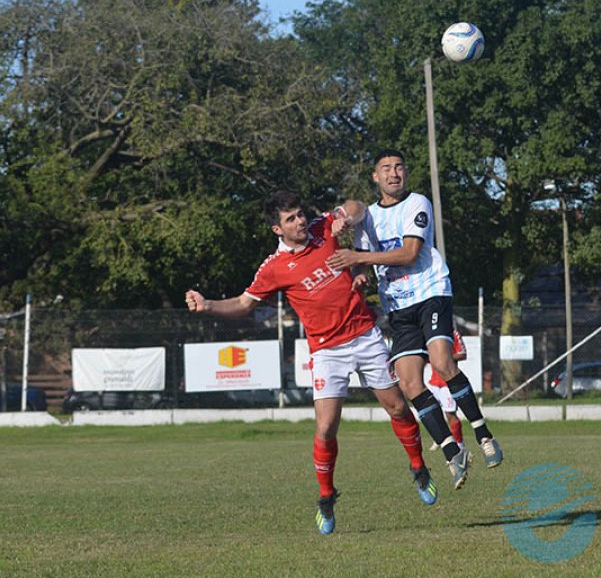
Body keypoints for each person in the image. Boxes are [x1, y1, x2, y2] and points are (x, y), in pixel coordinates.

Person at [185, 191, 436, 536]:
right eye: (291, 219)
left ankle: (419, 467)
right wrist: (208, 305)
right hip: (326, 350)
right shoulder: (274, 268)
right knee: (326, 427)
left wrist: (345, 215)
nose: (300, 222)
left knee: (396, 407)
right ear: (277, 229)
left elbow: (359, 207)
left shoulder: (323, 229)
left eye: (300, 214)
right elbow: (244, 303)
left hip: (364, 335)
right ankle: (326, 495)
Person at [327, 148, 503, 490]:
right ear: (375, 177)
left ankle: (484, 434)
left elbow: (409, 253)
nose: (394, 174)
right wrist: (360, 272)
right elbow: (364, 254)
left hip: (431, 293)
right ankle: (453, 452)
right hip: (398, 305)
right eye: (386, 169)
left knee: (441, 361)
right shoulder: (369, 216)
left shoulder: (417, 203)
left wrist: (359, 257)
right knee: (409, 384)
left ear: (405, 173)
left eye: (399, 167)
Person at [427, 329, 467, 453]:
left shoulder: (453, 333)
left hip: (447, 383)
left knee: (450, 414)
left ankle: (460, 446)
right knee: (431, 413)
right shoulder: (427, 332)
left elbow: (462, 353)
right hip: (433, 382)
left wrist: (444, 358)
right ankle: (440, 438)